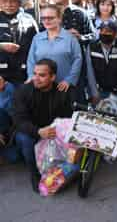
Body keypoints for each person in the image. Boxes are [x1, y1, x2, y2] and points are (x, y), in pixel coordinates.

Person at [12, 59, 74, 192]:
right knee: (25, 139)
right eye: (35, 74)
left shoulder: (62, 93)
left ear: (53, 77)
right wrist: (38, 131)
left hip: (52, 132)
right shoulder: (22, 91)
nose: (36, 78)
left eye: (42, 75)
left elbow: (66, 121)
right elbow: (19, 121)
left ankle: (57, 170)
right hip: (30, 131)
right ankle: (35, 174)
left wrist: (55, 131)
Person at [53, 0, 95, 104]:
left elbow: (93, 36)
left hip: (75, 67)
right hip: (53, 66)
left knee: (77, 104)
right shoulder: (48, 13)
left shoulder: (81, 13)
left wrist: (81, 37)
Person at [26, 4, 82, 93]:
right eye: (44, 18)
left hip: (63, 87)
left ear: (59, 18)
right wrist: (31, 76)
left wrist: (69, 80)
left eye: (50, 18)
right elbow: (31, 60)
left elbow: (77, 60)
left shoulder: (70, 38)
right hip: (41, 87)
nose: (47, 21)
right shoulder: (37, 38)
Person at [86, 19, 117, 108]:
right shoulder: (92, 46)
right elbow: (89, 72)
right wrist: (94, 93)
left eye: (108, 31)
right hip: (100, 90)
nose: (104, 33)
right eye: (102, 30)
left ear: (115, 34)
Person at [0, 0, 39, 86]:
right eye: (4, 1)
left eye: (12, 1)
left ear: (19, 2)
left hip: (24, 75)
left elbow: (37, 45)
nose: (8, 4)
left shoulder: (29, 19)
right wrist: (1, 46)